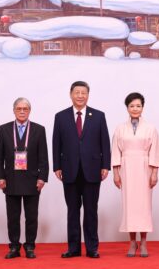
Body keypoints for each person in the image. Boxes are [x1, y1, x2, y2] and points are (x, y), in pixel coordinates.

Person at [52, 81, 111, 258]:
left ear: (88, 95)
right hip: (69, 170)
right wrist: (57, 166)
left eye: (83, 92)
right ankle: (74, 248)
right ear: (71, 94)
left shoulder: (99, 116)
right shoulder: (60, 116)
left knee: (91, 210)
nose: (80, 96)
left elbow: (105, 143)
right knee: (72, 211)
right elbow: (57, 143)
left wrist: (105, 165)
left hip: (92, 170)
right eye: (76, 92)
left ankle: (92, 248)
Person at [112, 92, 159, 257]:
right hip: (126, 168)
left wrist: (154, 173)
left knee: (144, 206)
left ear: (142, 107)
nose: (135, 109)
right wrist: (116, 173)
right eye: (132, 106)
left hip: (145, 169)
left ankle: (143, 242)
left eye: (138, 105)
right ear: (127, 108)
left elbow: (156, 151)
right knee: (129, 206)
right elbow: (115, 151)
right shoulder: (120, 128)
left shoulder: (150, 128)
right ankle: (132, 242)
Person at [0, 97, 49, 259]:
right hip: (10, 179)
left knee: (31, 216)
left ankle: (30, 246)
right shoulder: (4, 129)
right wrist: (0, 177)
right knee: (13, 217)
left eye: (25, 108)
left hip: (32, 179)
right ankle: (14, 247)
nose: (22, 111)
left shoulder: (39, 130)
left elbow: (43, 157)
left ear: (29, 111)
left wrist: (42, 178)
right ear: (14, 110)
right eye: (19, 108)